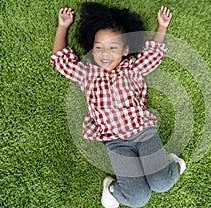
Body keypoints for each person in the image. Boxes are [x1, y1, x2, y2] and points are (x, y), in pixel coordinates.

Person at [50, 3, 186, 208]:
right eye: (99, 47)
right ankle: (111, 187)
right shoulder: (87, 74)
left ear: (125, 50)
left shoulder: (132, 68)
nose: (105, 53)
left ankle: (172, 163)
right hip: (116, 143)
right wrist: (63, 26)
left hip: (144, 132)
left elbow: (154, 54)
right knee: (138, 199)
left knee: (162, 183)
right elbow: (60, 60)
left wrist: (162, 26)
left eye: (113, 47)